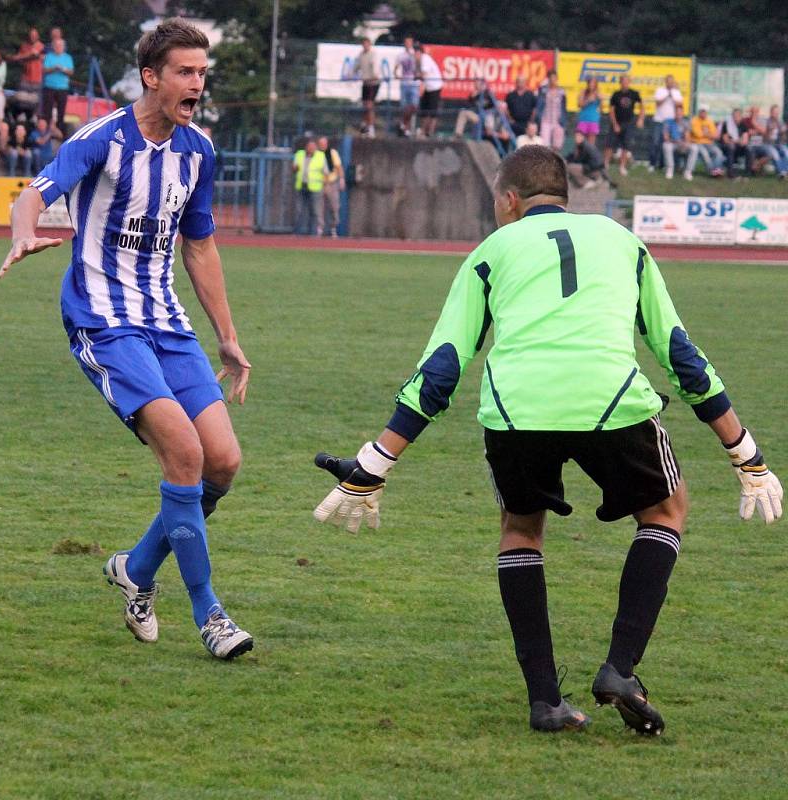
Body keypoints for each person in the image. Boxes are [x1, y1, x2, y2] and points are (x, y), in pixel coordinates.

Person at [312, 145, 782, 736]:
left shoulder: (490, 251)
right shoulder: (622, 241)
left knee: (520, 529)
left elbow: (442, 369)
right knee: (666, 511)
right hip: (610, 400)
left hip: (516, 409)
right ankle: (620, 670)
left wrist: (375, 461)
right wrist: (746, 454)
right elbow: (679, 354)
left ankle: (545, 701)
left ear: (508, 201)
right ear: (565, 196)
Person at [0, 18, 254, 661]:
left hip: (166, 323)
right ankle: (211, 615)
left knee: (223, 462)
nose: (197, 84)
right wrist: (22, 232)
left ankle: (136, 569)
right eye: (185, 72)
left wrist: (227, 337)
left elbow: (199, 245)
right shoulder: (104, 139)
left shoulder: (198, 151)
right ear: (152, 77)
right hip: (104, 323)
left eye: (202, 72)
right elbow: (36, 193)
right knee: (186, 456)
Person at [604, 74, 644, 176]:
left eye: (627, 81)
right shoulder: (616, 94)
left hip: (629, 123)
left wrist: (640, 119)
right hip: (617, 123)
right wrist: (615, 124)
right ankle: (605, 165)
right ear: (620, 82)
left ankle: (622, 167)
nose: (625, 83)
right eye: (623, 81)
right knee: (609, 145)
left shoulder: (634, 93)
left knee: (626, 146)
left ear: (629, 82)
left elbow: (642, 106)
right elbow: (611, 111)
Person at [292, 136, 326, 235]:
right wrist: (295, 168)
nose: (311, 149)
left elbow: (325, 172)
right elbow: (294, 169)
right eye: (309, 147)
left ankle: (312, 233)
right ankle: (297, 232)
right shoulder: (299, 154)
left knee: (315, 211)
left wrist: (325, 185)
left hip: (315, 188)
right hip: (301, 186)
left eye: (313, 147)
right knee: (299, 211)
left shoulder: (321, 156)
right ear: (306, 147)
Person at [650, 75, 683, 171]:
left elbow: (679, 105)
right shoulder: (660, 90)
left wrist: (672, 95)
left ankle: (663, 165)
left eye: (671, 82)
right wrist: (667, 95)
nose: (670, 83)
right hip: (659, 120)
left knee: (667, 143)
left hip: (671, 123)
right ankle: (652, 164)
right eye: (668, 81)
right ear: (665, 82)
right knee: (656, 143)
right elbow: (658, 103)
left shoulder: (676, 92)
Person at [41, 37, 73, 134]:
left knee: (61, 111)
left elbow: (71, 72)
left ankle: (60, 132)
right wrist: (54, 68)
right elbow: (44, 70)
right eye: (56, 46)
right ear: (53, 47)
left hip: (62, 88)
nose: (58, 48)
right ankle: (46, 130)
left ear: (63, 47)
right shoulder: (49, 56)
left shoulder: (68, 58)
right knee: (47, 110)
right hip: (49, 87)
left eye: (60, 46)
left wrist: (63, 69)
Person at [662, 103, 698, 180]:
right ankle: (670, 169)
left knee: (694, 148)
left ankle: (688, 171)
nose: (678, 114)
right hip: (673, 144)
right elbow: (666, 137)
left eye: (680, 112)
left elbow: (687, 137)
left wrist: (685, 143)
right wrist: (676, 141)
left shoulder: (685, 122)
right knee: (666, 145)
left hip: (682, 145)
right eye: (677, 112)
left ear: (682, 113)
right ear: (674, 113)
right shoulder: (668, 122)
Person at [318, 135, 344, 237]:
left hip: (331, 183)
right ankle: (320, 228)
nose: (322, 145)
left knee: (334, 206)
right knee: (320, 207)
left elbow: (338, 166)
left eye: (323, 143)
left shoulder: (332, 153)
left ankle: (333, 227)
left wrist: (341, 179)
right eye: (320, 144)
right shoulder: (317, 154)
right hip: (319, 183)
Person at [688, 105, 725, 177]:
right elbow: (698, 134)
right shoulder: (694, 120)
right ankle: (713, 171)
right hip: (697, 142)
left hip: (709, 143)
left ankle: (716, 169)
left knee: (718, 152)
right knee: (705, 155)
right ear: (699, 112)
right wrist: (709, 134)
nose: (703, 113)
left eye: (704, 112)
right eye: (702, 111)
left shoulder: (709, 120)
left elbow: (715, 135)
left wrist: (706, 133)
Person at [354, 38, 380, 138]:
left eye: (367, 44)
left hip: (373, 83)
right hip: (365, 83)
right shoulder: (361, 55)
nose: (365, 46)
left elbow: (375, 67)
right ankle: (365, 127)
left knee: (369, 105)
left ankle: (371, 128)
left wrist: (374, 75)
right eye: (363, 44)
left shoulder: (373, 55)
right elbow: (356, 66)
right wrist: (351, 74)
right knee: (365, 106)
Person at [393, 36, 419, 137]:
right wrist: (397, 75)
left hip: (414, 83)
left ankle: (403, 124)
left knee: (413, 106)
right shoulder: (401, 55)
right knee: (405, 107)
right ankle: (405, 128)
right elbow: (396, 68)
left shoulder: (415, 54)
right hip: (404, 83)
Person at [535, 70, 566, 152]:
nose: (553, 81)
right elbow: (539, 104)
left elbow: (563, 106)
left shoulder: (561, 91)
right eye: (551, 78)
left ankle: (556, 161)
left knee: (557, 144)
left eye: (554, 78)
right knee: (545, 144)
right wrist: (538, 116)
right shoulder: (543, 90)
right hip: (546, 119)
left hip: (558, 120)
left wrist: (563, 119)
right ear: (548, 79)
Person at [8, 27, 45, 95]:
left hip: (37, 79)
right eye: (31, 35)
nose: (32, 37)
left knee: (34, 101)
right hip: (25, 78)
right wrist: (24, 57)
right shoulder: (24, 46)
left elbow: (43, 58)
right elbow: (17, 59)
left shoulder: (42, 46)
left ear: (38, 36)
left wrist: (23, 56)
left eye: (34, 35)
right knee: (22, 99)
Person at [417, 45, 443, 138]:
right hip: (428, 87)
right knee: (424, 110)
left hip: (434, 87)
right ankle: (424, 131)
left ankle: (429, 132)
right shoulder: (419, 61)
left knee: (432, 110)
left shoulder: (425, 58)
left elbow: (424, 74)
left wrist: (421, 87)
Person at [719, 108, 748, 178]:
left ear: (741, 117)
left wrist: (738, 141)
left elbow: (745, 140)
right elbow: (725, 140)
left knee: (749, 148)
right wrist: (738, 141)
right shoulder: (726, 124)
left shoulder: (743, 125)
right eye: (734, 116)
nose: (736, 118)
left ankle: (748, 173)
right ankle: (730, 173)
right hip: (726, 147)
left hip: (739, 147)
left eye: (738, 116)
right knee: (731, 147)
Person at [576, 76, 603, 146]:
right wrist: (588, 100)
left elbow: (601, 107)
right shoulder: (583, 92)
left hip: (593, 120)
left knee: (591, 144)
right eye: (590, 83)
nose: (591, 84)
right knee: (579, 142)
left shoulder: (598, 93)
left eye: (593, 83)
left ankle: (589, 157)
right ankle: (579, 157)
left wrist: (598, 97)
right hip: (583, 119)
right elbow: (579, 104)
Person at [764, 104, 788, 179]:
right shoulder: (767, 122)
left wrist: (783, 133)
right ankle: (782, 172)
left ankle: (785, 171)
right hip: (768, 144)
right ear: (771, 113)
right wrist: (770, 130)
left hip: (778, 143)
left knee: (786, 151)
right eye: (774, 112)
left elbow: (784, 138)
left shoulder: (780, 122)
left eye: (777, 112)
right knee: (775, 153)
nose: (776, 114)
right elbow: (765, 137)